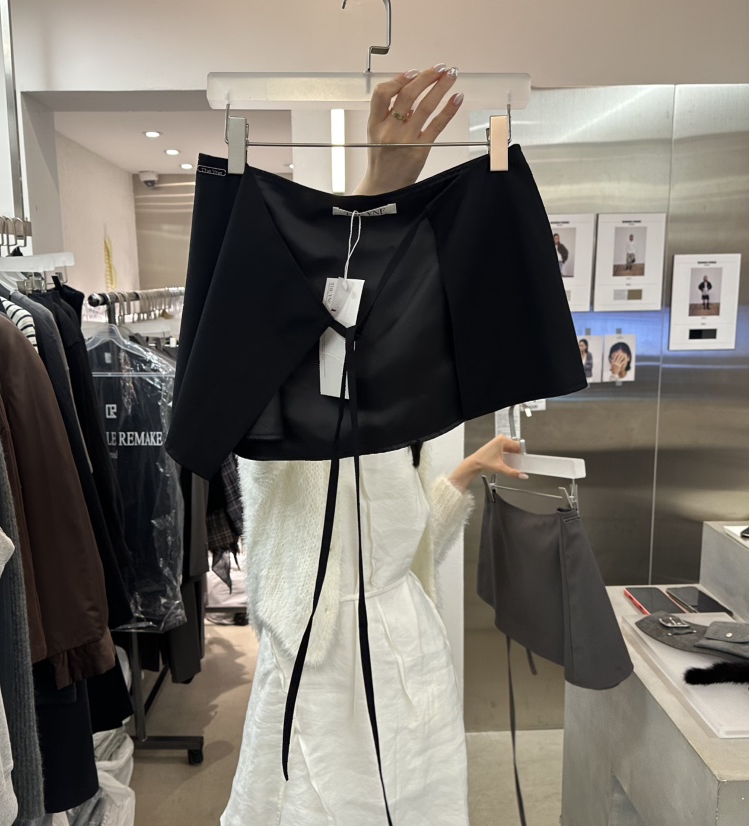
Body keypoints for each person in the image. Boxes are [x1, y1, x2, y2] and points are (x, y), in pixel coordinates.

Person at [221, 65, 530, 826]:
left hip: (405, 650)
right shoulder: (274, 393)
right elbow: (315, 326)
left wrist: (463, 473)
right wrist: (374, 187)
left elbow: (401, 537)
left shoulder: (395, 390)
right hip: (317, 658)